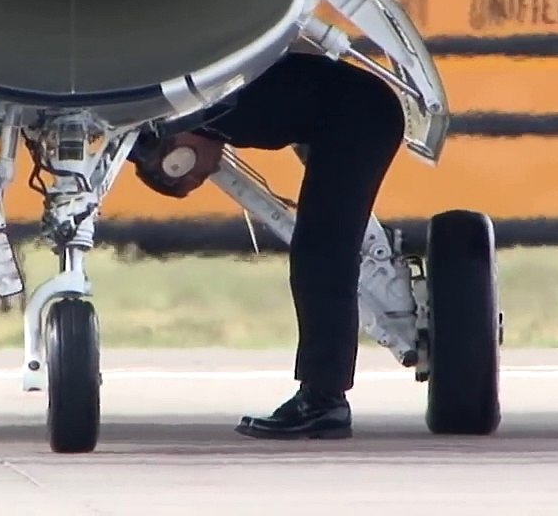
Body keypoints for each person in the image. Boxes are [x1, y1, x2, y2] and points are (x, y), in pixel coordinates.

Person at [129, 51, 406, 440]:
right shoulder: (208, 109)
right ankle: (323, 398)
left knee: (322, 256)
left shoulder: (212, 113)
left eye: (192, 175)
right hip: (355, 114)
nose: (209, 170)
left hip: (360, 118)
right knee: (320, 251)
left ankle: (324, 402)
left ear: (179, 156)